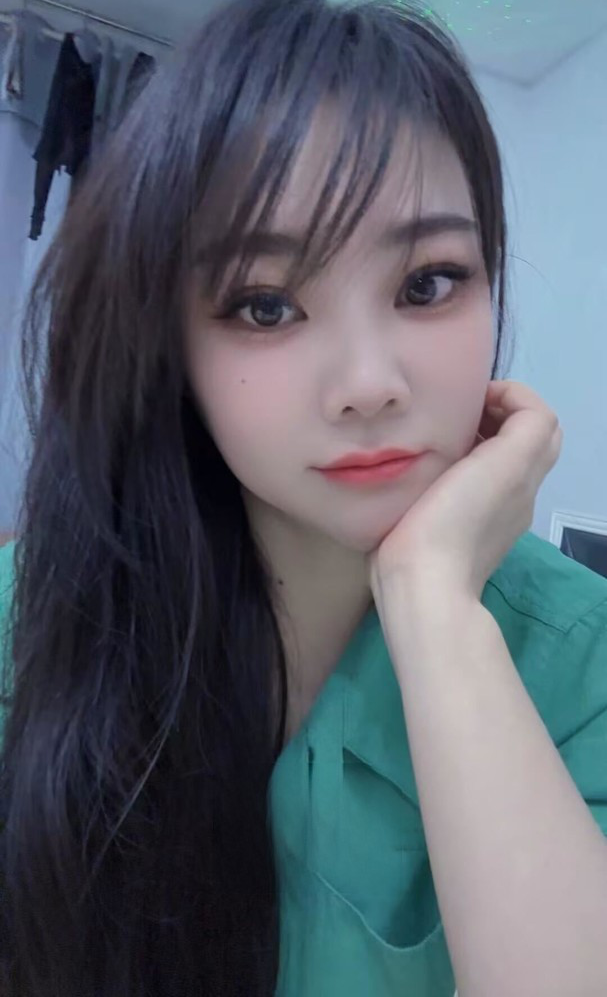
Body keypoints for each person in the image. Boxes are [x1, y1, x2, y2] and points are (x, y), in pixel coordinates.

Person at [0, 0, 606, 994]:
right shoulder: (36, 606)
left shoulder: (584, 661)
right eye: (266, 305)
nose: (367, 383)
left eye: (427, 284)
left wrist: (433, 604)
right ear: (171, 345)